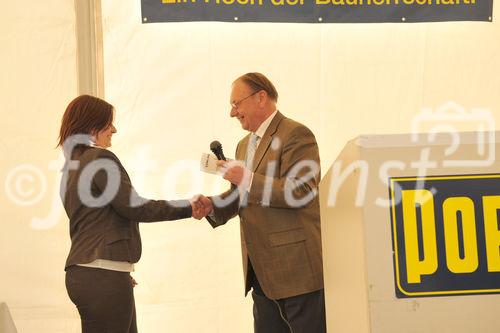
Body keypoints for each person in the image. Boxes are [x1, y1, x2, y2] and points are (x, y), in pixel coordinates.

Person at [57, 95, 207, 333]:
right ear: (91, 125)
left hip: (86, 273)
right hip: (103, 274)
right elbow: (135, 207)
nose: (114, 129)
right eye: (108, 123)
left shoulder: (70, 170)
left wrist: (118, 273)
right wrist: (188, 206)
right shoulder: (100, 159)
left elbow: (92, 224)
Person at [197, 73, 326, 332]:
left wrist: (247, 177)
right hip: (260, 274)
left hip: (296, 273)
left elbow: (301, 191)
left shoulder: (296, 134)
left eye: (236, 103)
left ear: (260, 98)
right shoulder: (244, 145)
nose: (233, 112)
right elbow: (242, 195)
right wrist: (213, 205)